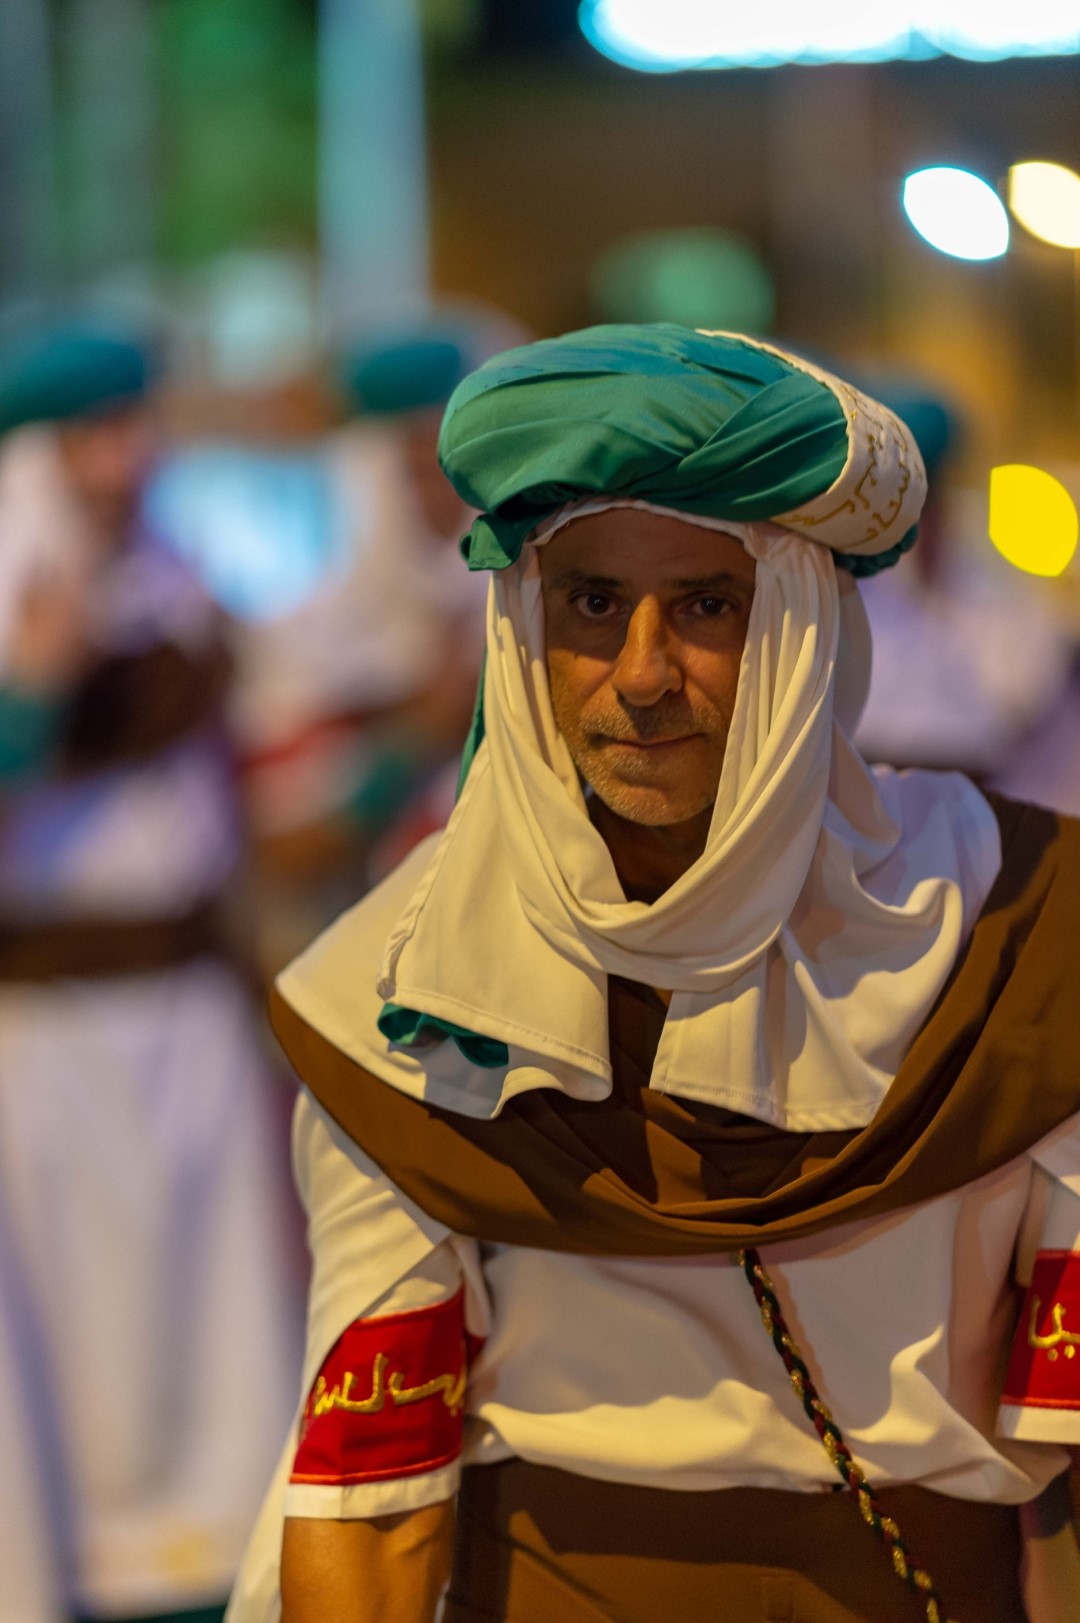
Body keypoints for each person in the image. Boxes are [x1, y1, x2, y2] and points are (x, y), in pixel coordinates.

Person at [229, 325, 1080, 1623]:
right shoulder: (403, 995)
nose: (639, 676)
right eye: (591, 605)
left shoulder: (1020, 933)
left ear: (806, 626)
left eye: (705, 606)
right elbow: (372, 1510)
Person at [0, 323, 300, 1623]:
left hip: (190, 1015)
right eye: (90, 438)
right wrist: (32, 693)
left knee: (215, 1334)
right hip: (46, 1039)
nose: (123, 464)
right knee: (82, 1348)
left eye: (134, 430)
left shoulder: (178, 590)